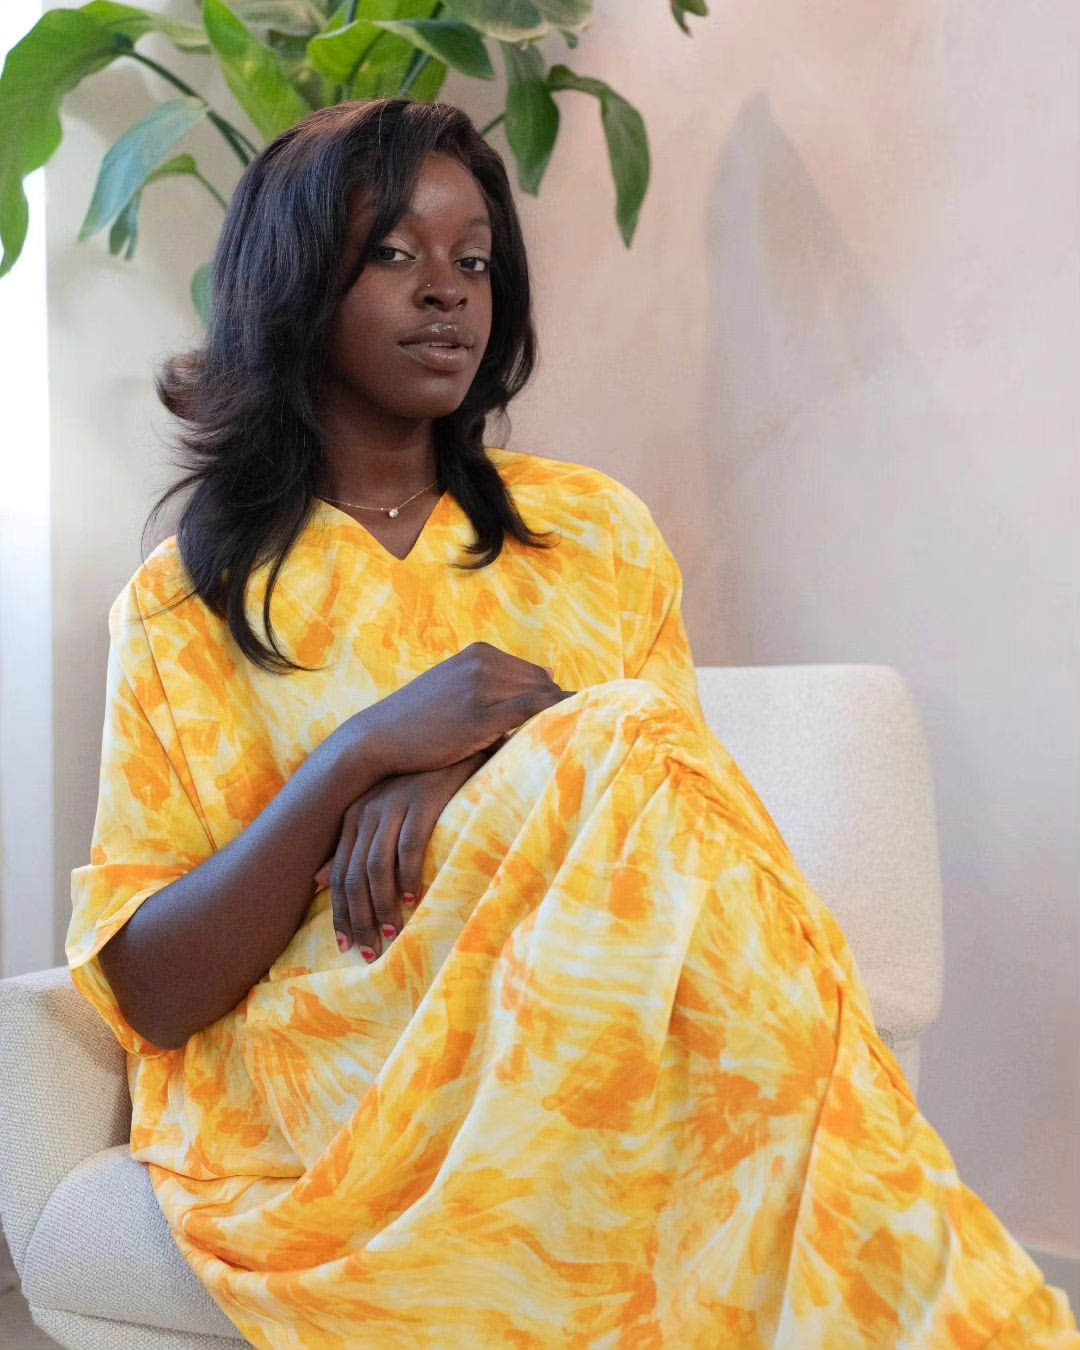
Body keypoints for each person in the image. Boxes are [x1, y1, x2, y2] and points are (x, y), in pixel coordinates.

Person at [67, 98, 1077, 1349]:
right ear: (294, 283)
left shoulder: (592, 536)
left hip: (592, 1038)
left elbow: (681, 838)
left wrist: (470, 771)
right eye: (394, 252)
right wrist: (363, 755)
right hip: (339, 1075)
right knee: (627, 741)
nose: (447, 292)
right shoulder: (189, 600)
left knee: (640, 752)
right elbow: (155, 990)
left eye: (475, 259)